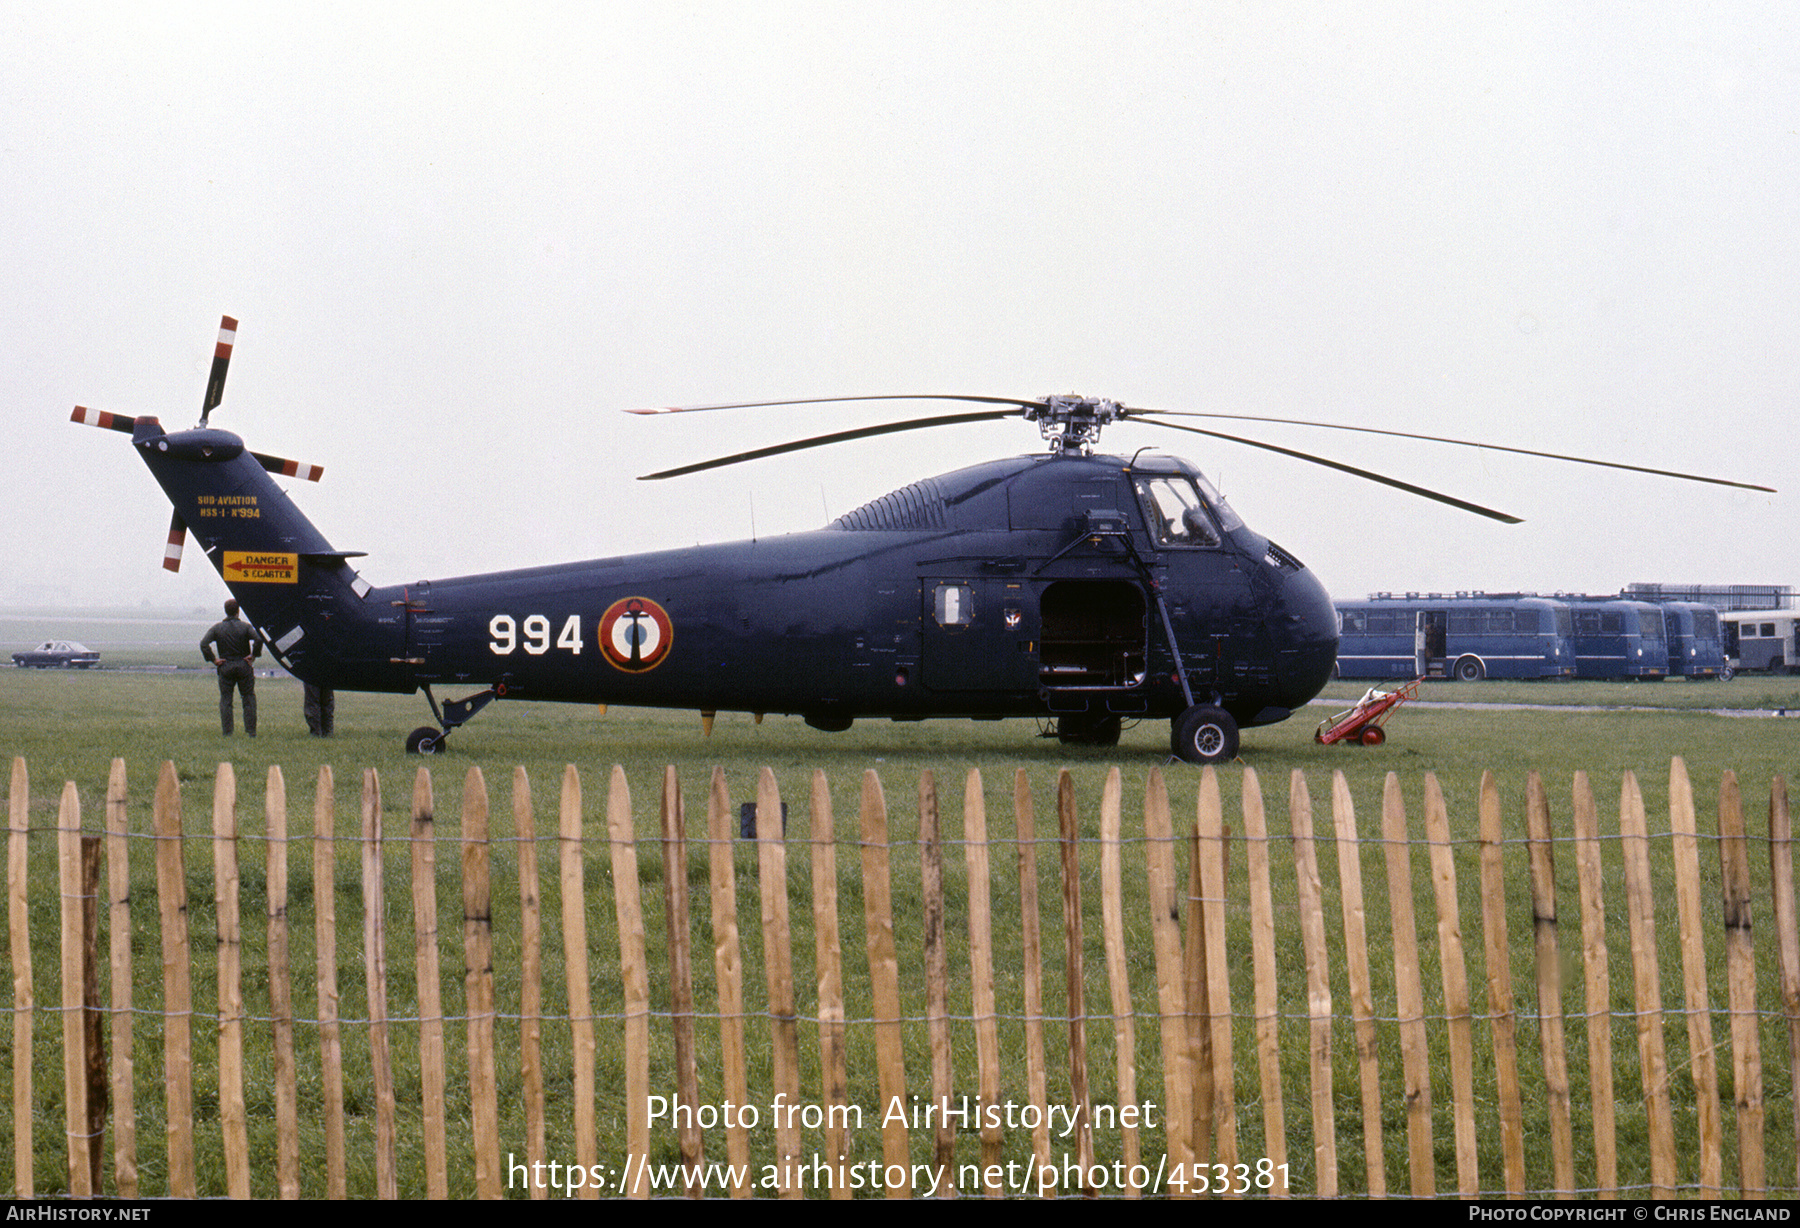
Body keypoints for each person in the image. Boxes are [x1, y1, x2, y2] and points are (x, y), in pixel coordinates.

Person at [200, 599, 261, 736]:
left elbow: (204, 644)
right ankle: (251, 732)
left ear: (225, 611)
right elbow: (258, 639)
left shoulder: (217, 628)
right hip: (243, 666)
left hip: (225, 666)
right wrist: (253, 655)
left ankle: (228, 732)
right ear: (238, 611)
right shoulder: (245, 627)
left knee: (226, 700)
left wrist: (214, 660)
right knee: (248, 698)